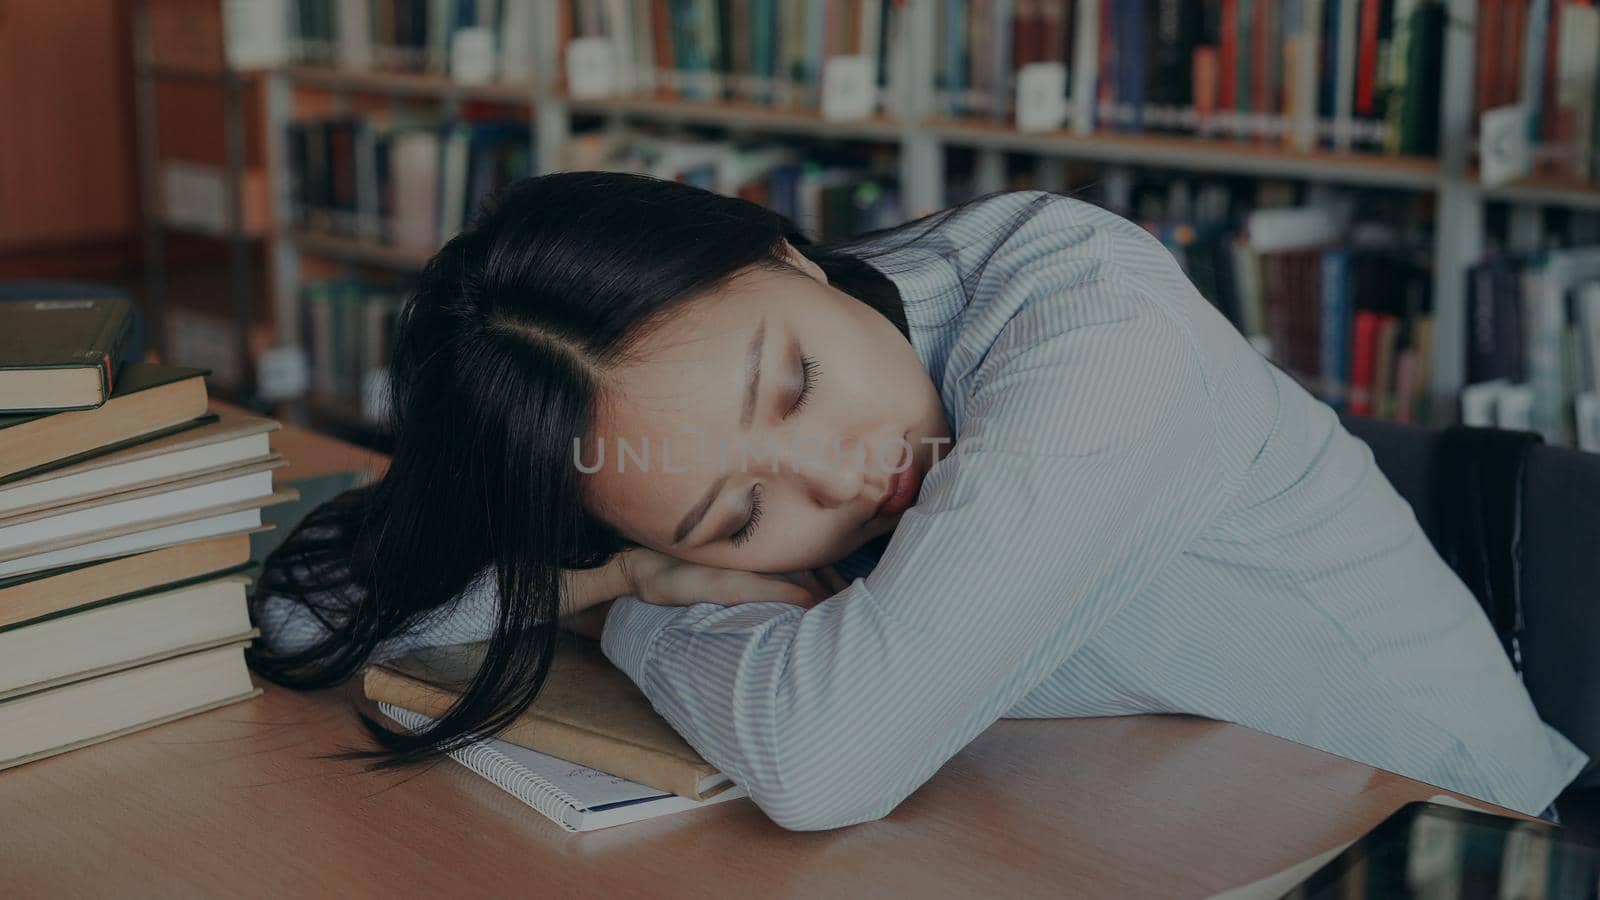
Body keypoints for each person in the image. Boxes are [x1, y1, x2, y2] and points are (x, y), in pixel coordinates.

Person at [250, 172, 1589, 832]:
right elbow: (327, 615)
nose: (842, 473)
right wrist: (587, 562)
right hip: (1162, 816)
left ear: (787, 255)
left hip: (1451, 840)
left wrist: (641, 611)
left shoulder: (1095, 329)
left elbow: (831, 758)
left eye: (794, 384)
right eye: (733, 520)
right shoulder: (662, 452)